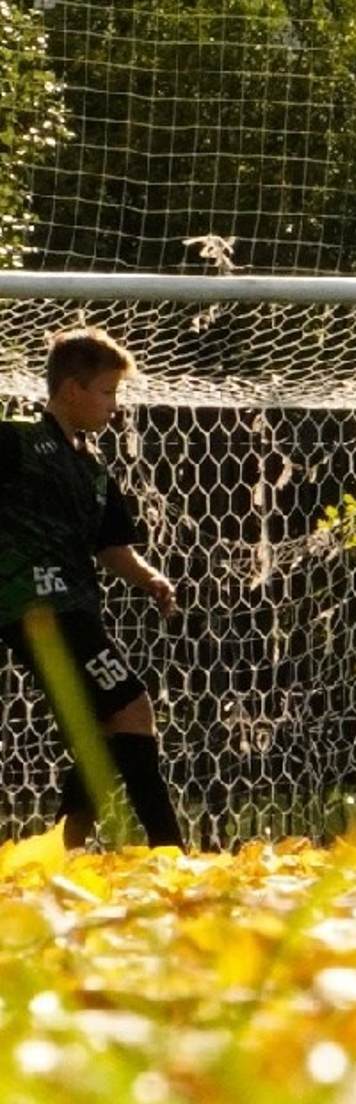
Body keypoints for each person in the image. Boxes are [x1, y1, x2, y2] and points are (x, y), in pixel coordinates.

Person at [0, 329, 184, 848]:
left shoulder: (93, 469)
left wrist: (148, 577)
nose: (114, 405)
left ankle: (66, 849)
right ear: (73, 388)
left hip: (74, 604)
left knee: (109, 727)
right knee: (133, 706)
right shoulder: (15, 441)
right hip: (36, 605)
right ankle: (169, 849)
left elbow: (112, 547)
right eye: (107, 392)